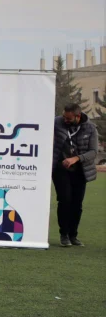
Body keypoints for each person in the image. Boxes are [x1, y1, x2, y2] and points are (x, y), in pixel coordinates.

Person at [53, 102, 98, 247]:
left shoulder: (90, 128)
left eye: (69, 118)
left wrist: (76, 158)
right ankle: (64, 234)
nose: (65, 120)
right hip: (60, 169)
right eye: (64, 117)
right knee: (65, 200)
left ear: (78, 116)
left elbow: (93, 152)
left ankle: (73, 235)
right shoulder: (56, 122)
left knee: (77, 204)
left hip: (80, 170)